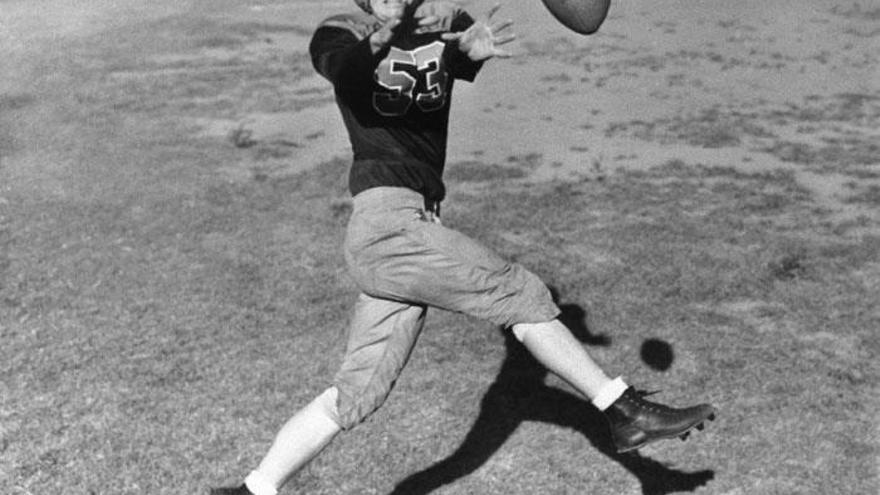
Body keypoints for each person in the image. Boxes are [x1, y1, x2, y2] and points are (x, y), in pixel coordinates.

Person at [211, 1, 716, 494]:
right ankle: (625, 411)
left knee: (355, 397)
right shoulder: (340, 30)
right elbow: (346, 72)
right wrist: (378, 40)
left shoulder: (445, 22)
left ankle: (254, 488)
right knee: (517, 291)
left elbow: (444, 67)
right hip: (386, 224)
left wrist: (468, 52)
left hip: (415, 225)